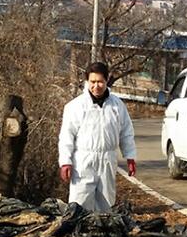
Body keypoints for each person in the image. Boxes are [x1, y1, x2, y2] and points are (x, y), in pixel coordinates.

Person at [58, 62, 137, 212]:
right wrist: (65, 162)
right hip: (83, 161)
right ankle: (79, 234)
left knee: (106, 205)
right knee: (79, 204)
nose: (96, 86)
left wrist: (130, 156)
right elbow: (67, 136)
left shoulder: (117, 105)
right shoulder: (75, 107)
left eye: (100, 81)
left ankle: (103, 234)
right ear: (87, 82)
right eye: (92, 82)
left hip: (107, 160)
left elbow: (126, 132)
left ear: (107, 81)